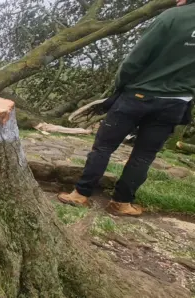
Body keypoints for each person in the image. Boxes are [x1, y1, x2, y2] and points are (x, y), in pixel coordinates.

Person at [57, 0, 195, 217]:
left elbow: (136, 59)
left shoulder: (171, 17)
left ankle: (80, 194)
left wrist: (120, 87)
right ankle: (121, 203)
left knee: (103, 147)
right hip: (176, 102)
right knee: (144, 155)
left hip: (138, 95)